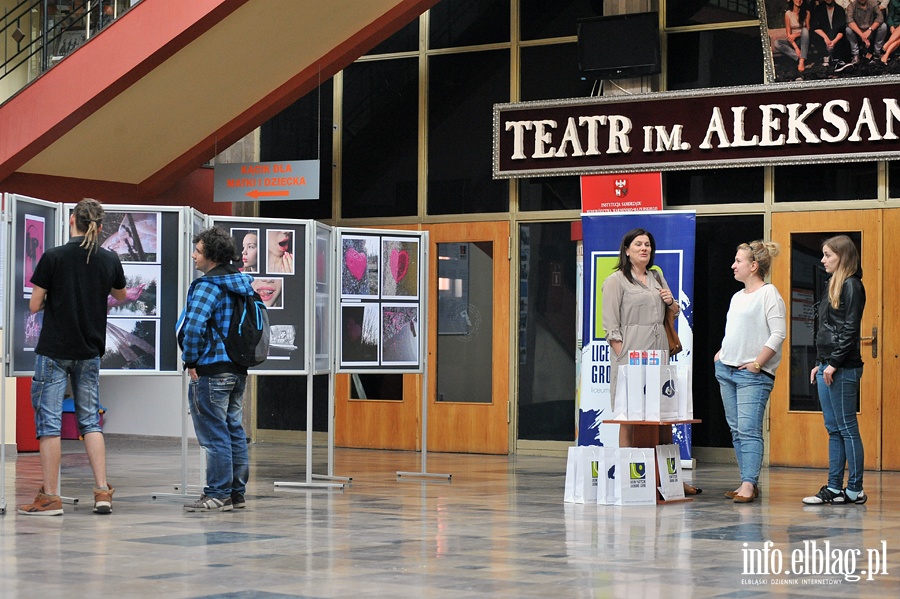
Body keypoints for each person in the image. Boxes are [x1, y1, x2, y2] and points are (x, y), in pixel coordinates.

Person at [18, 199, 126, 516]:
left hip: (54, 350)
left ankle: (50, 498)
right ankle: (103, 492)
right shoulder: (108, 259)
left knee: (49, 425)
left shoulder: (53, 257)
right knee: (90, 421)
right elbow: (120, 295)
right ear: (99, 225)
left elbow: (35, 305)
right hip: (89, 350)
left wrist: (56, 292)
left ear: (71, 220)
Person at [601, 228, 699, 495]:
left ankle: (671, 480)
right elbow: (610, 325)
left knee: (663, 417)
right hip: (630, 355)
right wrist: (621, 352)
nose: (644, 248)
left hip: (658, 353)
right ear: (627, 250)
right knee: (629, 417)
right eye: (638, 244)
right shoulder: (616, 281)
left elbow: (672, 312)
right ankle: (626, 477)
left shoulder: (657, 276)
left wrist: (671, 303)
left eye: (647, 245)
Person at [177, 227, 256, 512]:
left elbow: (194, 326)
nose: (193, 256)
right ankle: (236, 493)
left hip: (211, 370)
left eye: (197, 251)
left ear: (210, 255)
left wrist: (191, 361)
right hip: (237, 369)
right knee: (233, 429)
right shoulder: (241, 283)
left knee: (214, 435)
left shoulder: (207, 285)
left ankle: (217, 493)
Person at [714, 241, 786, 504]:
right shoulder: (736, 297)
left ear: (753, 266)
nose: (733, 265)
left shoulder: (769, 294)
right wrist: (721, 354)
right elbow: (736, 331)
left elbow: (779, 333)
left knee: (748, 429)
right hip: (727, 370)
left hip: (752, 374)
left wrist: (758, 363)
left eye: (738, 261)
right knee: (736, 430)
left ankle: (748, 483)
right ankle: (747, 481)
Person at [803, 235, 867, 505]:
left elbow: (850, 330)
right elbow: (827, 329)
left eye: (828, 255)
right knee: (834, 429)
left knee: (847, 427)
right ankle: (833, 487)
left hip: (843, 367)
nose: (823, 260)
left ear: (842, 256)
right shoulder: (832, 284)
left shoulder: (852, 285)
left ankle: (855, 489)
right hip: (828, 364)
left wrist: (834, 363)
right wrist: (820, 363)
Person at [812, 0, 850, 70]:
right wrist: (826, 38)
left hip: (836, 37)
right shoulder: (818, 9)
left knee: (845, 37)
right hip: (823, 36)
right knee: (814, 35)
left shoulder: (840, 9)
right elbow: (815, 27)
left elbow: (841, 30)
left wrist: (834, 41)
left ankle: (837, 60)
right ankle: (825, 57)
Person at [775, 0, 812, 73]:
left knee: (804, 30)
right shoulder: (788, 14)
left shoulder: (807, 13)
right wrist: (796, 48)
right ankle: (799, 57)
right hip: (793, 42)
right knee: (777, 43)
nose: (799, 1)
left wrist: (796, 34)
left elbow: (808, 30)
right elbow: (788, 34)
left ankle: (802, 61)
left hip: (803, 40)